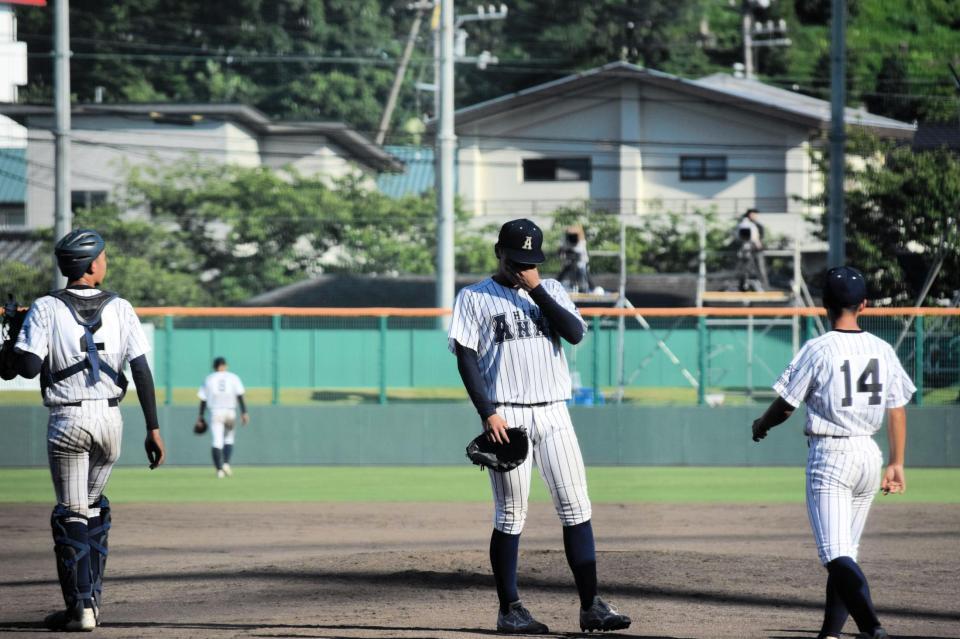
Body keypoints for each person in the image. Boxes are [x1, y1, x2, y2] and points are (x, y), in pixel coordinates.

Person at [447, 218, 631, 634]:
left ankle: (592, 606)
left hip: (555, 412)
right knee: (511, 514)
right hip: (507, 415)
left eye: (530, 260)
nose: (522, 267)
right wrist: (487, 412)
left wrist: (536, 288)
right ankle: (510, 609)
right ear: (500, 252)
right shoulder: (473, 297)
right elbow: (466, 358)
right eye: (516, 260)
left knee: (577, 507)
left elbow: (574, 333)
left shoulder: (553, 290)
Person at [6, 229, 166, 631]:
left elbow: (24, 368)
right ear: (92, 265)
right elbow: (142, 372)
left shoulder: (45, 307)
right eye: (103, 257)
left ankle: (80, 609)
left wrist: (12, 340)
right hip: (111, 420)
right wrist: (154, 428)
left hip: (68, 419)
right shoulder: (122, 307)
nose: (105, 262)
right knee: (93, 508)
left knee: (72, 512)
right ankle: (90, 599)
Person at [751, 266, 914, 639]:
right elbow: (898, 408)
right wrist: (897, 462)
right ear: (864, 304)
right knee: (845, 553)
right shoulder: (882, 348)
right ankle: (830, 634)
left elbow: (787, 404)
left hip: (831, 455)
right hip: (870, 455)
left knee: (834, 554)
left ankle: (872, 628)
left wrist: (762, 424)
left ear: (824, 305)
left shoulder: (819, 347)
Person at [197, 356, 248, 478]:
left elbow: (203, 399)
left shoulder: (209, 379)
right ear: (225, 366)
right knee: (229, 439)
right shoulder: (233, 377)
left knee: (217, 441)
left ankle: (219, 470)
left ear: (214, 367)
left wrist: (200, 416)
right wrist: (244, 412)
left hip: (215, 412)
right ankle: (226, 463)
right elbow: (240, 396)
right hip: (230, 412)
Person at [734, 208, 769, 291]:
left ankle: (764, 287)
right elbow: (744, 237)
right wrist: (755, 241)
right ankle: (743, 286)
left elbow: (760, 237)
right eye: (753, 214)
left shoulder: (758, 225)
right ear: (749, 214)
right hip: (747, 250)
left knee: (761, 269)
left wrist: (758, 243)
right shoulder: (744, 223)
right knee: (745, 269)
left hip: (756, 251)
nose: (755, 216)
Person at [557, 224, 595, 293]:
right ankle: (556, 285)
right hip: (570, 262)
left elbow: (578, 253)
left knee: (583, 273)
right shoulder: (566, 242)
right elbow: (560, 251)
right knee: (563, 274)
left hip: (581, 262)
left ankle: (590, 289)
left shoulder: (581, 242)